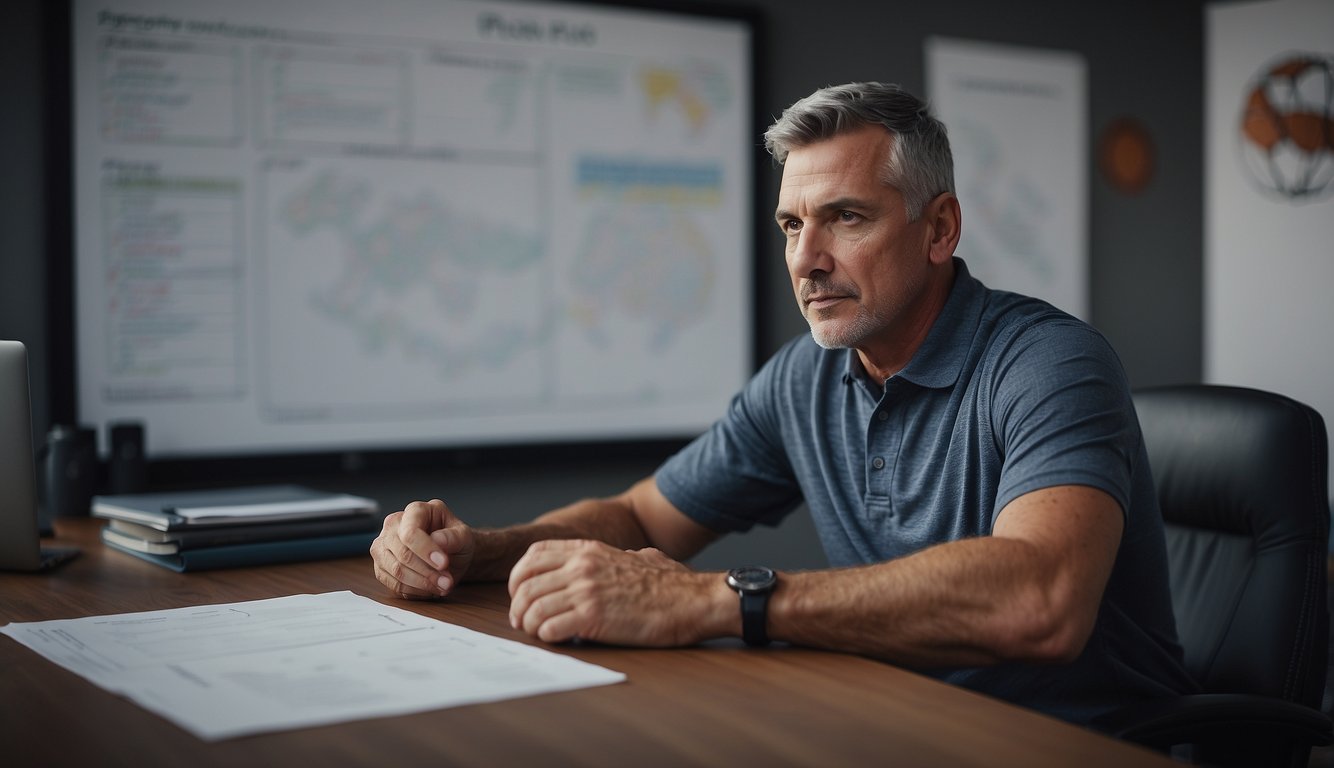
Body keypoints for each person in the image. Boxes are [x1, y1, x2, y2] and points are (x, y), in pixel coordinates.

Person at [370, 81, 1196, 724]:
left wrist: (710, 599)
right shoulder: (804, 378)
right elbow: (642, 519)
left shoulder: (1051, 362)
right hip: (908, 725)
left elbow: (1041, 601)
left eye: (845, 218)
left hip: (1080, 744)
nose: (807, 260)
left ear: (939, 229)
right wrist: (479, 551)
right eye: (791, 225)